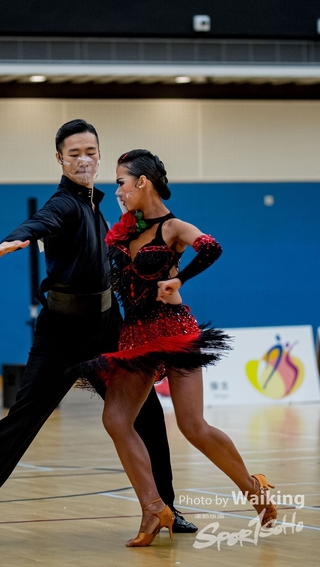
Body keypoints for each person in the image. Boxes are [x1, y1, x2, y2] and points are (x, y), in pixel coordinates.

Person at [0, 120, 196, 547]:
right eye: (74, 153)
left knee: (147, 414)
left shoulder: (100, 205)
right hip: (61, 335)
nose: (84, 160)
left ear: (99, 155)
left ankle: (165, 507)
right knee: (20, 424)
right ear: (60, 159)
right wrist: (19, 237)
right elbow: (43, 220)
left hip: (107, 329)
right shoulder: (65, 203)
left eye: (90, 152)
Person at [75, 149, 277, 547]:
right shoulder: (125, 231)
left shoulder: (173, 227)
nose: (117, 191)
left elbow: (211, 247)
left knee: (192, 425)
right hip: (136, 335)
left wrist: (179, 279)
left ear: (142, 182)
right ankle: (154, 507)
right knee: (116, 419)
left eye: (121, 182)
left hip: (173, 329)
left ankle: (253, 488)